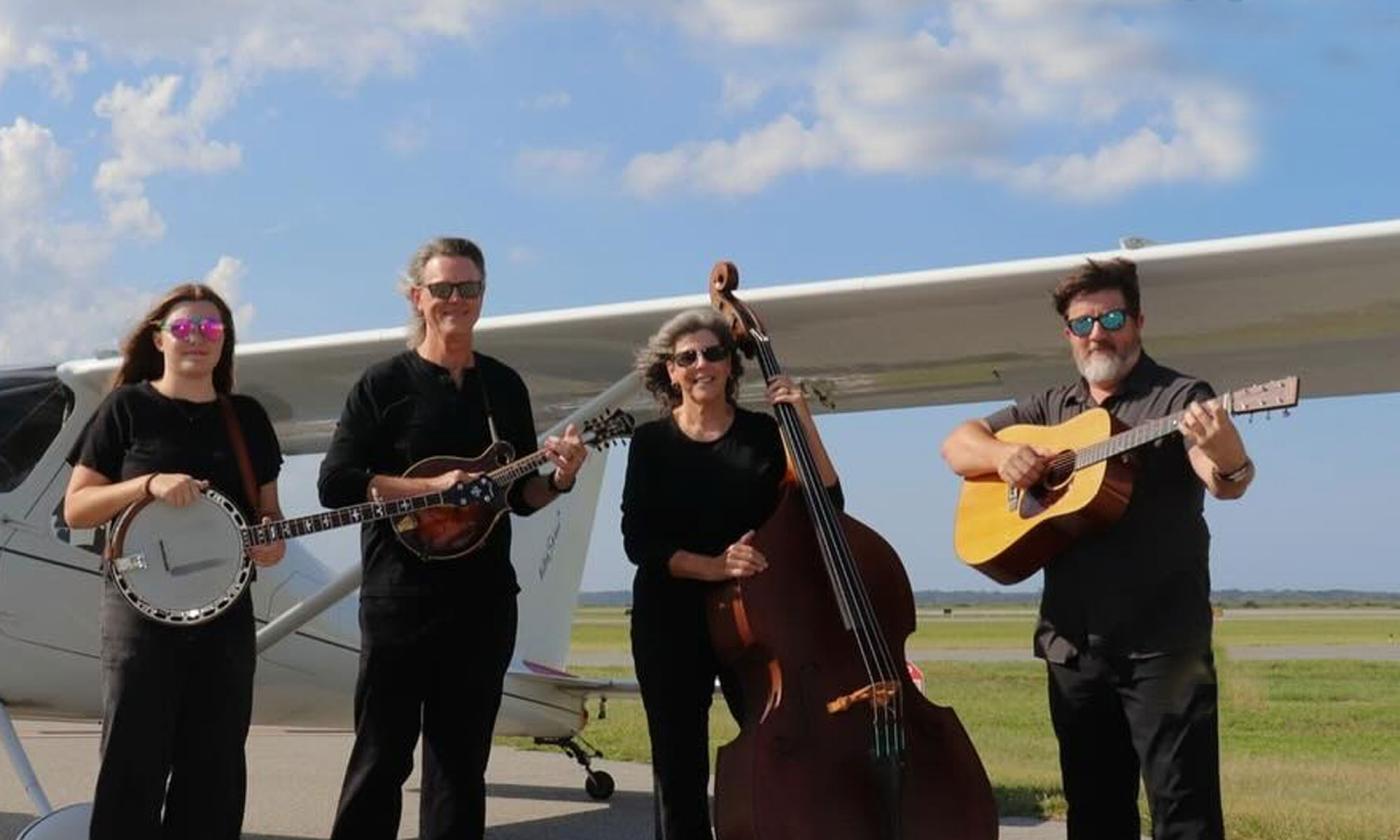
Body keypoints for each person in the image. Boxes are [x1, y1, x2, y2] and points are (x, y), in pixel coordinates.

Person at [940, 257, 1254, 839]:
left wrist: (1230, 453)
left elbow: (1223, 480)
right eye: (1082, 323)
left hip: (1164, 647)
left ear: (1137, 321)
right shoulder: (1050, 410)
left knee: (1184, 817)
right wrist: (1002, 457)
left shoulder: (1180, 397)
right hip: (1074, 649)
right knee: (1094, 817)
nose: (1097, 334)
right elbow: (958, 444)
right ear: (1068, 335)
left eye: (1110, 317)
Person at [319, 236, 587, 840]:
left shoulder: (503, 388)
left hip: (483, 603)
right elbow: (335, 484)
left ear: (483, 296)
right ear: (418, 297)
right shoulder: (382, 385)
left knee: (461, 768)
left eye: (469, 289)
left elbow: (519, 498)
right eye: (443, 289)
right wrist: (430, 488)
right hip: (399, 600)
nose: (456, 300)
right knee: (381, 758)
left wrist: (561, 479)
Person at [64, 283, 285, 840]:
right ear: (160, 339)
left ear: (225, 342)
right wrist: (147, 484)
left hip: (225, 619)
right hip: (139, 618)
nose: (198, 339)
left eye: (211, 330)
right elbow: (78, 509)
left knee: (214, 775)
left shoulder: (247, 419)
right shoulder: (127, 408)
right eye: (184, 328)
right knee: (130, 770)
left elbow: (272, 522)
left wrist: (270, 544)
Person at [621, 308, 842, 840]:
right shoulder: (650, 444)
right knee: (679, 768)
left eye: (714, 353)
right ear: (669, 372)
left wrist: (802, 418)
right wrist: (715, 566)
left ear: (729, 366)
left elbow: (828, 502)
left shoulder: (766, 433)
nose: (703, 364)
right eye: (687, 357)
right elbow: (641, 543)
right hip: (669, 620)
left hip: (758, 619)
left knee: (776, 750)